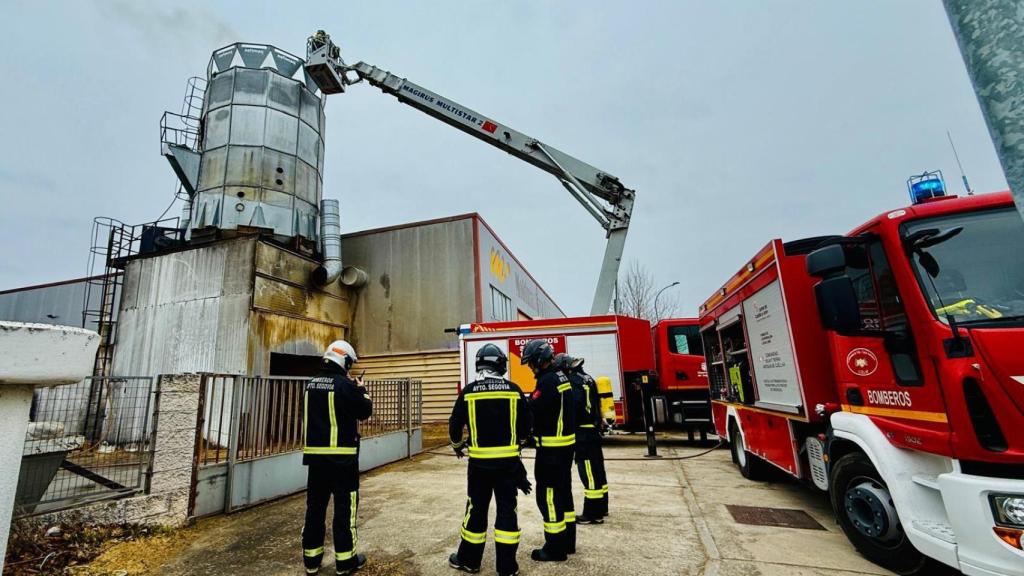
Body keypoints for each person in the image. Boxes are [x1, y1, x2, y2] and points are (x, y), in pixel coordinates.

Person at [448, 344, 532, 576]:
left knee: (476, 510)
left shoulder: (468, 391)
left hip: (479, 467)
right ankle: (507, 567)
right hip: (509, 466)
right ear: (499, 363)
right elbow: (527, 426)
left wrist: (457, 447)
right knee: (507, 511)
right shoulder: (514, 390)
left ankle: (469, 560)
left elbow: (454, 425)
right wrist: (520, 441)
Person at [301, 340, 373, 575]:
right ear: (344, 360)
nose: (350, 369)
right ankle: (345, 562)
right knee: (344, 510)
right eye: (350, 364)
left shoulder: (311, 385)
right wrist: (362, 390)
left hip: (316, 461)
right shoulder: (344, 386)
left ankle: (311, 561)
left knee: (315, 509)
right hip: (342, 461)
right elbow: (364, 412)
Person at [520, 340, 576, 562]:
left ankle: (554, 548)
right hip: (565, 449)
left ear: (540, 360)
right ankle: (567, 542)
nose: (530, 368)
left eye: (531, 363)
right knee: (564, 495)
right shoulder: (562, 377)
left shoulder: (547, 381)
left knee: (549, 498)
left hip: (551, 451)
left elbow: (532, 410)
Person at [559, 354, 609, 522]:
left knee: (588, 473)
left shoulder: (573, 381)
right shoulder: (587, 378)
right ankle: (602, 508)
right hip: (593, 431)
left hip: (582, 434)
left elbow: (574, 405)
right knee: (598, 471)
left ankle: (592, 514)